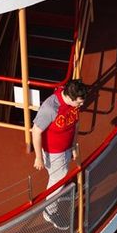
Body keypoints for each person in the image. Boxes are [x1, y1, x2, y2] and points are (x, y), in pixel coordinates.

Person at [31, 79, 90, 222]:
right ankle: (49, 211)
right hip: (54, 152)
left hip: (66, 148)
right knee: (57, 181)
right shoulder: (50, 108)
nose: (81, 105)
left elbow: (75, 123)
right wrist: (39, 157)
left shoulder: (73, 104)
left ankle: (60, 193)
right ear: (69, 97)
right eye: (79, 102)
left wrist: (74, 145)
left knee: (61, 176)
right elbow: (36, 131)